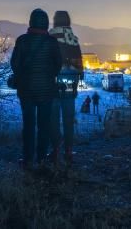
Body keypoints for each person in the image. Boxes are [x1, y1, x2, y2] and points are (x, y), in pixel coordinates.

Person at [10, 8, 62, 168]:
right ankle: (41, 158)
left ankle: (27, 159)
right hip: (46, 91)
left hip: (26, 90)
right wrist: (47, 76)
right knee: (43, 126)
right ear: (46, 23)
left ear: (31, 21)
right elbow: (58, 66)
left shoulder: (22, 41)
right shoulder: (52, 42)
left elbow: (14, 64)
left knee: (28, 125)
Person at [48, 10, 83, 164]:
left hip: (53, 83)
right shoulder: (74, 40)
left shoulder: (50, 38)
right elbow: (79, 66)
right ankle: (69, 150)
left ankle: (55, 149)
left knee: (53, 118)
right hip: (70, 84)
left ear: (55, 21)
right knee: (68, 118)